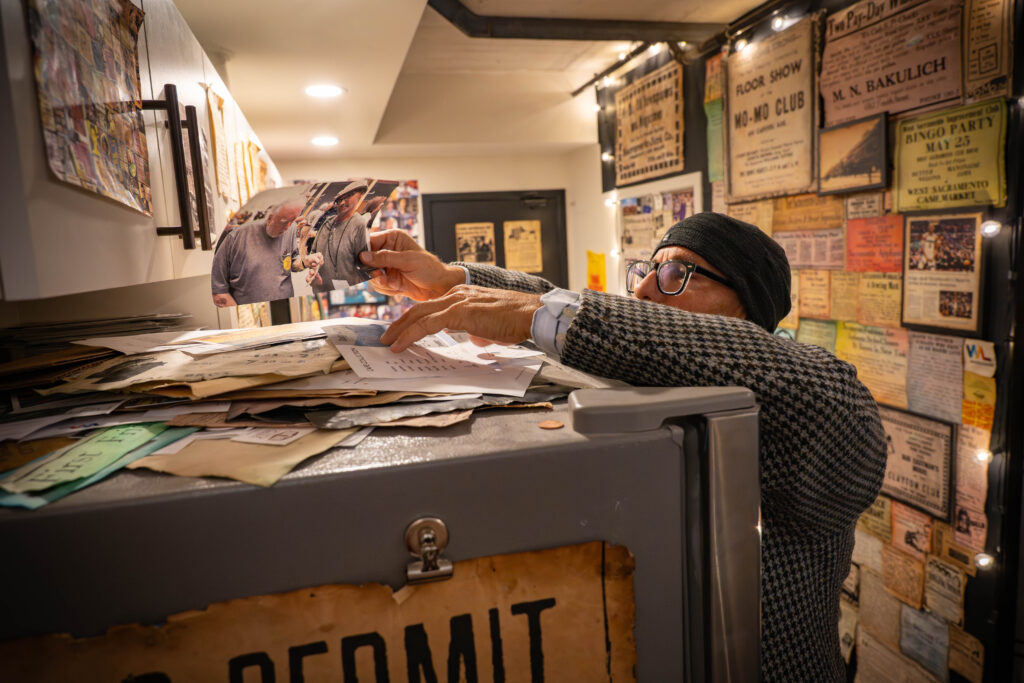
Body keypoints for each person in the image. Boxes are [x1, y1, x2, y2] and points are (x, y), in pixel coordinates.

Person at [358, 212, 887, 682]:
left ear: (749, 309)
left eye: (677, 275)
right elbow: (594, 315)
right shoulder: (654, 377)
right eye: (647, 271)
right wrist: (456, 281)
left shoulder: (808, 409)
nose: (643, 292)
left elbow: (837, 399)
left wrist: (539, 312)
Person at [211, 198, 323, 307]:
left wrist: (304, 262)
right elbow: (219, 293)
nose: (288, 227)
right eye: (283, 221)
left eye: (292, 220)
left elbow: (291, 262)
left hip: (284, 310)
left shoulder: (290, 229)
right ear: (269, 216)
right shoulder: (235, 237)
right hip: (250, 317)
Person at [308, 181, 370, 293]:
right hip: (322, 289)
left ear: (359, 198)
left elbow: (364, 263)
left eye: (347, 200)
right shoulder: (326, 223)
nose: (341, 203)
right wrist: (313, 268)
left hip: (348, 290)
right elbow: (313, 252)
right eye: (339, 200)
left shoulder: (359, 224)